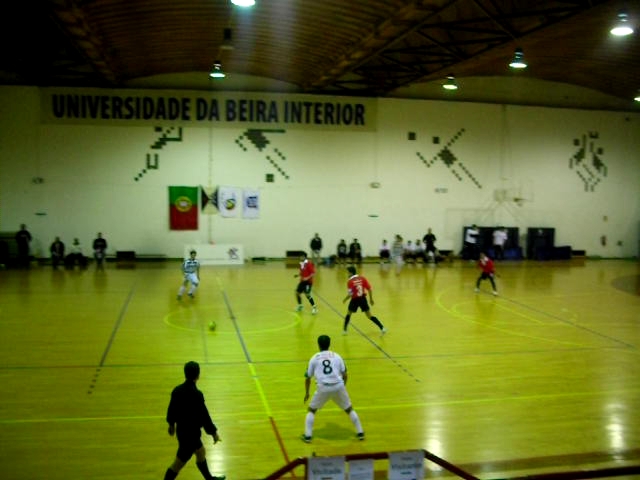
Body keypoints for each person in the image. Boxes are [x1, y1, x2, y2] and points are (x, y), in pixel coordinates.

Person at [164, 361, 225, 480]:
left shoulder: (177, 391)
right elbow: (204, 417)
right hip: (190, 436)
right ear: (198, 375)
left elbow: (171, 410)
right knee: (177, 465)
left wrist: (171, 425)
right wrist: (214, 433)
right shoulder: (197, 394)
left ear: (185, 374)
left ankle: (209, 479)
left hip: (182, 433)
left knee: (201, 452)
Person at [301, 334, 365, 443]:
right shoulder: (337, 356)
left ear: (318, 345)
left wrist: (307, 393)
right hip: (338, 386)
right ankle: (360, 433)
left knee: (311, 410)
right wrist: (341, 388)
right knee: (349, 409)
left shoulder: (314, 358)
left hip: (323, 388)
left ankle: (308, 436)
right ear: (329, 344)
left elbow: (307, 378)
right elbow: (345, 375)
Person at [342, 265, 386, 335]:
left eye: (348, 272)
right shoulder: (362, 278)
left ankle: (344, 330)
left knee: (348, 314)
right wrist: (371, 299)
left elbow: (350, 294)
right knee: (369, 316)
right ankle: (382, 328)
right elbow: (370, 289)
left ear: (351, 273)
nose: (347, 274)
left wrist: (345, 299)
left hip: (354, 300)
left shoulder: (350, 281)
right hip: (363, 299)